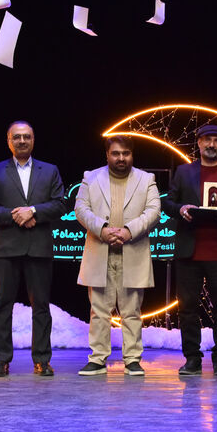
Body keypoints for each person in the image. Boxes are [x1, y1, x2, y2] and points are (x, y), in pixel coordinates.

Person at [0, 121, 68, 377]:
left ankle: (42, 360)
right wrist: (16, 215)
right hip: (5, 247)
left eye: (26, 137)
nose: (22, 141)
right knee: (1, 306)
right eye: (16, 137)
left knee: (41, 306)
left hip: (39, 247)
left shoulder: (49, 170)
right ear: (9, 141)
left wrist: (34, 211)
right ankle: (1, 361)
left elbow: (60, 204)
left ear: (33, 140)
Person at [161, 125, 217, 376]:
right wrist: (180, 209)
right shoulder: (183, 171)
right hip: (189, 252)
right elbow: (168, 202)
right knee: (187, 308)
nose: (211, 144)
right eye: (207, 140)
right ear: (198, 143)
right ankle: (192, 358)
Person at [74, 136, 160, 376]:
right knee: (99, 311)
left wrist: (128, 231)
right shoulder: (91, 177)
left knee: (131, 311)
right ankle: (97, 359)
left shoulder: (146, 179)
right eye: (115, 153)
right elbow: (80, 209)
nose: (121, 158)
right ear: (107, 155)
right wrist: (102, 229)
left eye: (126, 153)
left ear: (132, 154)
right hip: (100, 252)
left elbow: (154, 211)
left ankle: (132, 359)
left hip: (132, 252)